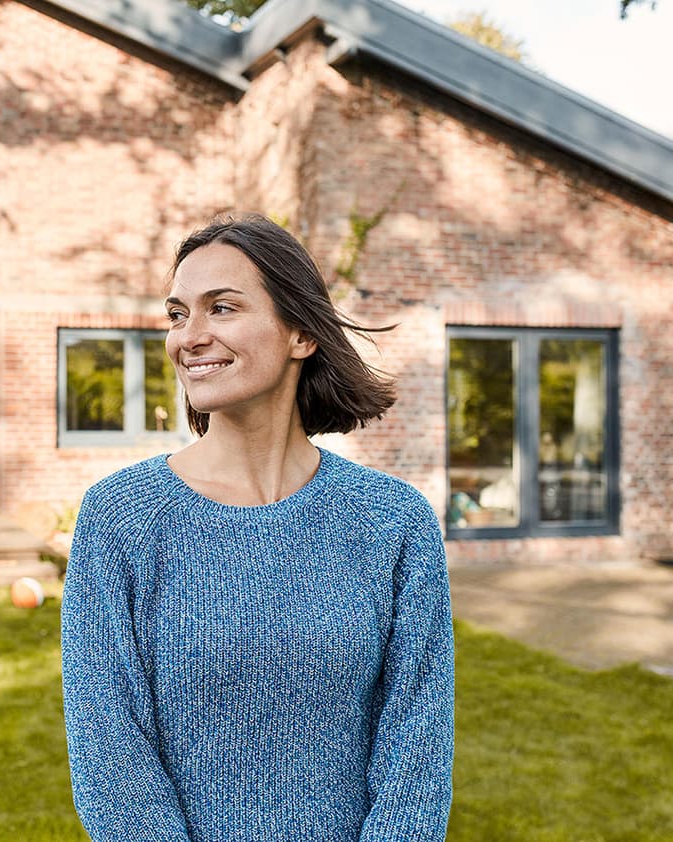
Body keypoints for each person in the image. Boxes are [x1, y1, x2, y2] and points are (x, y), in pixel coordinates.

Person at [60, 213, 455, 841]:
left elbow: (417, 750)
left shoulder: (393, 521)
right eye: (178, 314)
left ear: (301, 333)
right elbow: (109, 755)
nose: (189, 337)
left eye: (221, 308)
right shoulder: (120, 518)